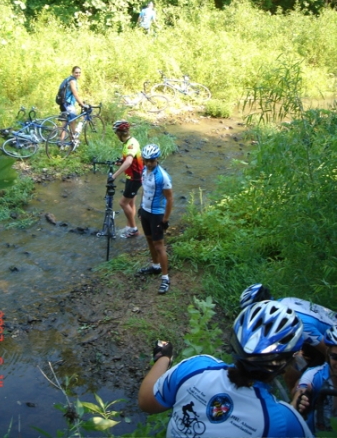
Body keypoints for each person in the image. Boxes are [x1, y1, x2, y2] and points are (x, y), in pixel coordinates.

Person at [138, 300, 313, 437]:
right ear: (284, 365)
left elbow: (147, 402)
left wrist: (164, 357)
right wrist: (292, 412)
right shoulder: (282, 421)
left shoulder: (196, 367)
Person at [240, 283, 337, 390]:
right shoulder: (282, 303)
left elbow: (328, 352)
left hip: (330, 342)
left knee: (294, 379)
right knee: (291, 371)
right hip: (320, 336)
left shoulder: (298, 322)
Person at [136, 144, 173, 295]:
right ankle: (155, 266)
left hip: (157, 214)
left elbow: (170, 199)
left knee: (159, 245)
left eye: (152, 160)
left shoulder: (162, 176)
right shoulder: (144, 171)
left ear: (157, 159)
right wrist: (140, 208)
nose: (149, 163)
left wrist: (165, 219)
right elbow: (145, 191)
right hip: (145, 211)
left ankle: (165, 278)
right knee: (149, 240)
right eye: (146, 160)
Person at [291, 326, 337, 433]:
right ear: (328, 354)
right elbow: (301, 390)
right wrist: (300, 400)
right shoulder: (314, 375)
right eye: (335, 357)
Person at [110, 120, 143, 238]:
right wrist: (121, 161)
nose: (116, 135)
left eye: (116, 133)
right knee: (130, 202)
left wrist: (114, 176)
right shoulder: (128, 142)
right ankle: (130, 226)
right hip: (132, 177)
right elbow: (129, 160)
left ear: (120, 132)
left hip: (135, 178)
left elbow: (129, 161)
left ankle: (133, 229)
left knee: (122, 203)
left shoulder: (131, 144)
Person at [60, 66, 85, 136]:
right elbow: (75, 94)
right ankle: (74, 138)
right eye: (76, 72)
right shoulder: (72, 81)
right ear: (72, 72)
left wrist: (79, 102)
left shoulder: (68, 79)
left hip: (63, 103)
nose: (78, 74)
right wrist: (82, 104)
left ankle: (61, 143)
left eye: (79, 73)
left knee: (65, 123)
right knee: (73, 121)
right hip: (68, 104)